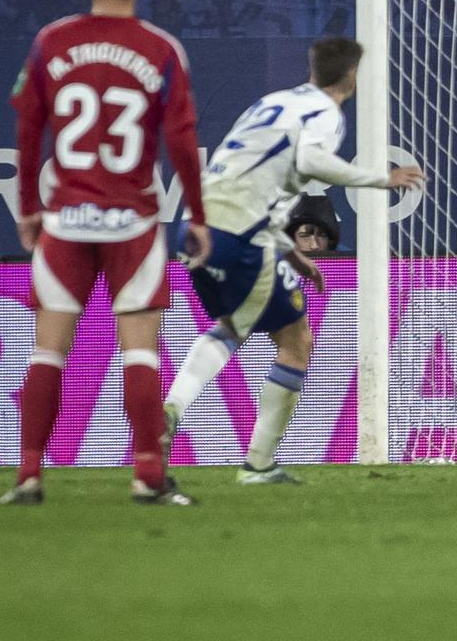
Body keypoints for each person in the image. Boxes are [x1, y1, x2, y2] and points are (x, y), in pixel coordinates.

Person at [1, 0, 211, 506]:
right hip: (133, 224)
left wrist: (28, 208)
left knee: (48, 351)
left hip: (65, 221)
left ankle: (28, 474)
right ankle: (147, 474)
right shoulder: (160, 49)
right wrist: (197, 215)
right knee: (139, 350)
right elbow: (182, 140)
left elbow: (28, 129)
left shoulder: (51, 41)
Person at [163, 37, 424, 484]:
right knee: (285, 337)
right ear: (351, 76)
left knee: (244, 326)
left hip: (195, 225)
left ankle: (179, 417)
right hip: (237, 232)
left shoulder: (275, 101)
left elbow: (256, 179)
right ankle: (249, 460)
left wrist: (289, 254)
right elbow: (310, 159)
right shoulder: (325, 113)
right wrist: (380, 178)